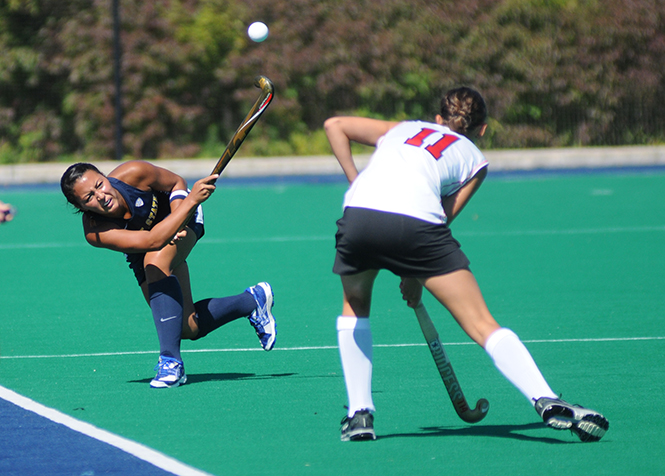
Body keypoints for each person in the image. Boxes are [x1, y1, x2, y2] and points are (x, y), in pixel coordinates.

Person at [324, 87, 609, 442]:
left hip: (359, 217)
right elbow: (440, 217)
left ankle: (359, 415)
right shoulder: (475, 158)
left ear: (438, 119)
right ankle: (543, 396)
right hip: (417, 228)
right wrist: (414, 271)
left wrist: (356, 180)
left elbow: (335, 124)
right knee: (481, 323)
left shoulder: (401, 128)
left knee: (356, 305)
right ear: (483, 129)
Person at [60, 161, 276, 388]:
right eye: (89, 198)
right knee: (186, 327)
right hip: (147, 245)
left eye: (99, 184)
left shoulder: (133, 173)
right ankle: (252, 300)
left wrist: (181, 211)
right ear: (82, 208)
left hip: (182, 212)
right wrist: (187, 207)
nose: (101, 196)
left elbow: (176, 182)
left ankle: (171, 363)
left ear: (105, 176)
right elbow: (152, 241)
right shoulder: (95, 231)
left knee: (155, 262)